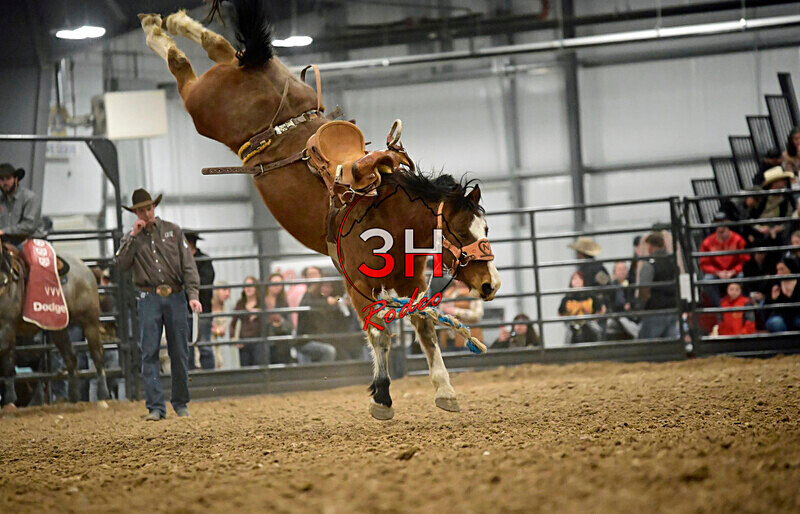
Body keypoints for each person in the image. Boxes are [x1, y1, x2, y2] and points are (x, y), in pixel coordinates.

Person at [115, 189, 201, 421]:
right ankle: (155, 406)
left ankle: (180, 402)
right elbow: (121, 263)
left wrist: (192, 294)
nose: (146, 213)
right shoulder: (132, 237)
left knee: (179, 352)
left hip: (175, 295)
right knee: (149, 352)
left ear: (154, 208)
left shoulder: (173, 231)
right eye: (141, 210)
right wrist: (133, 236)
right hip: (149, 296)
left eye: (148, 208)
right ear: (136, 213)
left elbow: (188, 266)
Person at [698, 211, 749, 307]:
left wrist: (733, 271)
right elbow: (704, 263)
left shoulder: (738, 239)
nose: (721, 225)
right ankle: (721, 309)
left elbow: (744, 260)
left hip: (734, 272)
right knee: (707, 280)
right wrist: (717, 272)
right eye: (718, 221)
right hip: (717, 273)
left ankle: (741, 307)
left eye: (723, 221)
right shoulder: (707, 242)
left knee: (742, 276)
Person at [637, 232, 679, 340]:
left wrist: (641, 307)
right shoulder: (672, 262)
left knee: (649, 345)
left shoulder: (649, 265)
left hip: (655, 309)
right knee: (671, 343)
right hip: (672, 307)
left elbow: (644, 289)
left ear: (650, 246)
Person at [568, 237, 610, 340]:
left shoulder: (584, 270)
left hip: (588, 309)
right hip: (596, 308)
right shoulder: (598, 268)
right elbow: (607, 284)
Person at [184, 230, 215, 370]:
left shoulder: (204, 261)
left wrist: (187, 286)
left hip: (201, 308)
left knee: (203, 345)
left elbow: (206, 283)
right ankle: (190, 374)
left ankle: (208, 374)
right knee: (187, 346)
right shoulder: (181, 262)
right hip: (186, 309)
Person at [295, 268, 338, 363]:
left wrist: (339, 301)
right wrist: (327, 302)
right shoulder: (308, 294)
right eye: (325, 286)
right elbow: (306, 303)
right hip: (306, 340)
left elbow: (339, 299)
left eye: (329, 287)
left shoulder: (326, 296)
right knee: (329, 351)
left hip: (321, 339)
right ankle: (323, 375)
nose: (327, 289)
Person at [0, 163, 45, 246]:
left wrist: (4, 231)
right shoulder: (1, 200)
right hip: (7, 241)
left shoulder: (30, 198)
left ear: (16, 179)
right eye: (2, 179)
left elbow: (28, 226)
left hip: (31, 240)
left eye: (8, 178)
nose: (5, 182)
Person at [558, 271, 604, 344]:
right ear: (571, 282)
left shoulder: (590, 295)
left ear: (583, 281)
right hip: (573, 324)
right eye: (575, 279)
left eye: (579, 279)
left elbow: (601, 309)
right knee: (568, 334)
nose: (577, 282)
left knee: (597, 330)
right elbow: (560, 313)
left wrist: (595, 319)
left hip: (589, 322)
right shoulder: (567, 298)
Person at [231, 276, 268, 367]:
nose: (248, 288)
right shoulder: (240, 303)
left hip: (258, 341)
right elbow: (233, 323)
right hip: (244, 342)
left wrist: (260, 313)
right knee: (245, 368)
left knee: (259, 366)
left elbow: (269, 319)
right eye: (245, 286)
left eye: (250, 285)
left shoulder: (261, 303)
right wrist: (233, 338)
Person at [440, 280, 484, 351]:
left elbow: (477, 314)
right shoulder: (449, 292)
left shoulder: (474, 293)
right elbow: (441, 310)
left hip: (468, 338)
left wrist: (455, 311)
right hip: (450, 338)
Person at [264, 272, 294, 364]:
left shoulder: (284, 303)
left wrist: (281, 321)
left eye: (280, 284)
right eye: (275, 283)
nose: (277, 286)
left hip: (281, 343)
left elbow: (290, 325)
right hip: (265, 342)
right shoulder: (261, 301)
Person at [606, 260, 640, 340]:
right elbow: (614, 303)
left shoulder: (631, 284)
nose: (622, 272)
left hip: (631, 315)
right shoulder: (612, 286)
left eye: (624, 269)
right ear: (614, 273)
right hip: (617, 315)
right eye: (620, 269)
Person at [765, 257, 800, 333]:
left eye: (782, 269)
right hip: (779, 316)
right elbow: (767, 308)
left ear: (790, 268)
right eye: (777, 270)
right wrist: (774, 298)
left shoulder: (798, 282)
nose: (779, 273)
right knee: (776, 323)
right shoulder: (775, 284)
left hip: (796, 315)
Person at [211, 282, 232, 369]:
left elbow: (222, 332)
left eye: (229, 291)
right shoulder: (207, 305)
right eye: (224, 290)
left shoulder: (223, 308)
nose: (227, 293)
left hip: (215, 343)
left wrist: (216, 329)